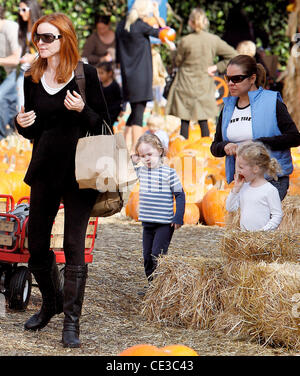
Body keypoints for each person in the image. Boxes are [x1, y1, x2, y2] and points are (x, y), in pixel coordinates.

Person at [15, 12, 107, 348]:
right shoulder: (32, 77)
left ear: (64, 39)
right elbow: (32, 131)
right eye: (37, 37)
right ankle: (51, 304)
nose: (40, 42)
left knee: (73, 247)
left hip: (80, 173)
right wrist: (21, 124)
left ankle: (72, 322)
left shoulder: (86, 75)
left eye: (48, 37)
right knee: (36, 245)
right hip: (43, 170)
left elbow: (103, 124)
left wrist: (83, 109)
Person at [210, 54, 300, 201]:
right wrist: (225, 146)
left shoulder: (272, 102)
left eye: (237, 79)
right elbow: (215, 146)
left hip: (272, 179)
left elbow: (295, 137)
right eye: (228, 78)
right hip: (241, 181)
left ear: (252, 79)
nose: (230, 83)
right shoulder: (227, 107)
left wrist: (258, 144)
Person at [165, 8, 237, 139]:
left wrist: (172, 49)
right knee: (203, 120)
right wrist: (217, 67)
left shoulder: (185, 41)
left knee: (184, 120)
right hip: (204, 83)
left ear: (190, 23)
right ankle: (206, 152)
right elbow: (234, 55)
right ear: (205, 22)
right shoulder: (213, 40)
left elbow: (177, 62)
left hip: (185, 84)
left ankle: (184, 155)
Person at [132, 133, 185, 293]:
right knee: (147, 257)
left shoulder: (168, 173)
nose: (147, 158)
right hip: (147, 223)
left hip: (164, 223)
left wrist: (178, 216)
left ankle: (159, 287)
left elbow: (180, 195)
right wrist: (131, 160)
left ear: (160, 151)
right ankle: (152, 286)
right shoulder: (141, 171)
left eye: (150, 154)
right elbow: (125, 173)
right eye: (143, 155)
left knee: (157, 255)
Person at [115, 0, 166, 154]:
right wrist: (157, 17)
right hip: (142, 75)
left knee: (133, 113)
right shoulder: (140, 25)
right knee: (138, 113)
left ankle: (123, 148)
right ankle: (138, 152)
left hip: (128, 76)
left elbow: (117, 53)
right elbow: (165, 33)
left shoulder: (122, 25)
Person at [226, 141, 283, 231]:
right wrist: (236, 189)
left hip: (262, 240)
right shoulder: (244, 187)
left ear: (255, 169)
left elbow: (277, 215)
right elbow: (230, 208)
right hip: (245, 239)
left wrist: (263, 231)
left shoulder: (269, 190)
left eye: (241, 167)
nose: (238, 171)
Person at [0, 5, 22, 139]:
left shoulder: (11, 28)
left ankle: (1, 139)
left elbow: (17, 59)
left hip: (22, 72)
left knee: (1, 98)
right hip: (11, 75)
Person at [17, 0, 42, 109]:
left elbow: (50, 52)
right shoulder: (22, 28)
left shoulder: (41, 28)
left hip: (40, 72)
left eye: (24, 10)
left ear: (32, 10)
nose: (20, 13)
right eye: (19, 10)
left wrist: (33, 57)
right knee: (21, 106)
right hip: (25, 70)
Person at [96, 61, 123, 129]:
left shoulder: (114, 86)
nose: (99, 76)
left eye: (102, 73)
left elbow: (119, 100)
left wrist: (120, 110)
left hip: (112, 113)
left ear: (110, 73)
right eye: (98, 73)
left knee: (108, 128)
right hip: (102, 113)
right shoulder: (99, 85)